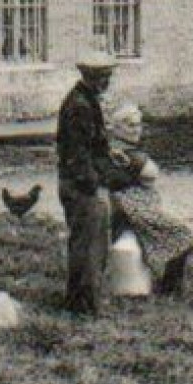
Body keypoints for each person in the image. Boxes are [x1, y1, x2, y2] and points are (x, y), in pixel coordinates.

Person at [55, 49, 138, 317]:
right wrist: (95, 186)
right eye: (105, 76)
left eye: (109, 75)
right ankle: (84, 305)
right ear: (92, 77)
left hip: (79, 182)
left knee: (86, 243)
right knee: (89, 247)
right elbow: (76, 156)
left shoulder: (86, 100)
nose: (108, 81)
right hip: (80, 186)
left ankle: (78, 301)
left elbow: (92, 144)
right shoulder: (79, 106)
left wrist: (106, 153)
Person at [106, 103, 193, 295]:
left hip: (129, 206)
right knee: (182, 234)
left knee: (177, 232)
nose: (136, 129)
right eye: (130, 125)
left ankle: (167, 283)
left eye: (138, 124)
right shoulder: (123, 153)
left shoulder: (118, 150)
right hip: (132, 208)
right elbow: (150, 173)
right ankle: (170, 289)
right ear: (116, 128)